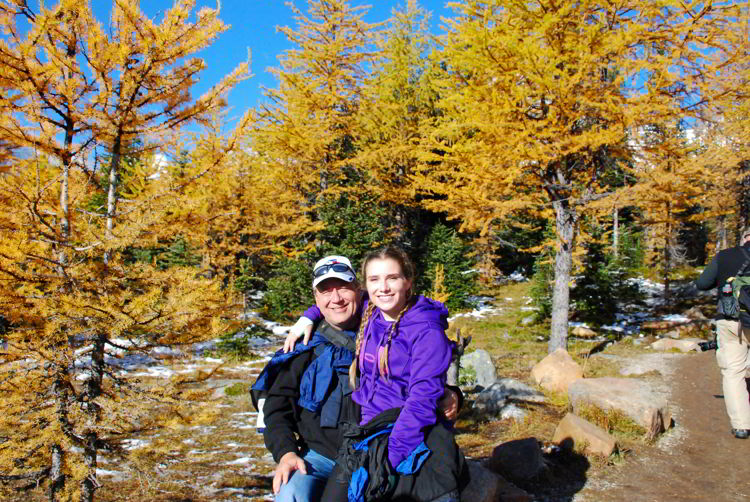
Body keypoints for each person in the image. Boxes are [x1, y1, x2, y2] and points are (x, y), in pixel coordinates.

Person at [252, 255, 460, 502]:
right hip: (319, 457)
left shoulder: (382, 325)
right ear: (316, 298)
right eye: (325, 291)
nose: (336, 298)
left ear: (358, 290)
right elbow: (275, 406)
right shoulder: (304, 346)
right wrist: (285, 452)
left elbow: (414, 378)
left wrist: (452, 394)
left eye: (343, 287)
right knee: (291, 495)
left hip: (375, 447)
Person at [695, 227, 750, 439]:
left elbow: (702, 284)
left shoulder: (726, 256)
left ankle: (741, 425)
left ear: (744, 238)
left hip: (731, 320)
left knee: (733, 371)